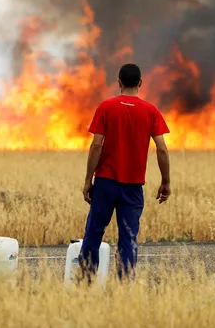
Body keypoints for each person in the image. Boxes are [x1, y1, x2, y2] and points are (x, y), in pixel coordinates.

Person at [78, 63, 171, 283]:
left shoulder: (105, 107)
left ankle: (86, 283)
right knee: (128, 239)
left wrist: (88, 180)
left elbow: (96, 145)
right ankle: (125, 286)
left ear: (118, 82)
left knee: (93, 233)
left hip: (105, 183)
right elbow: (162, 148)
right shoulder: (151, 111)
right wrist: (166, 181)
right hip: (133, 187)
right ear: (140, 83)